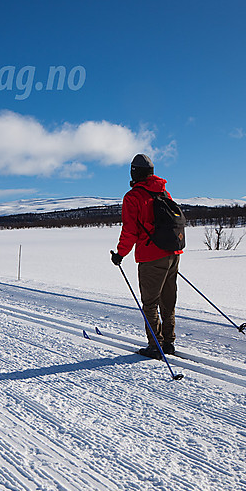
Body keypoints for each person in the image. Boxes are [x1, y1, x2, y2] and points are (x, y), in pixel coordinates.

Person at [110, 154, 182, 359]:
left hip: (151, 256)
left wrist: (120, 254)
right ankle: (168, 343)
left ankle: (155, 346)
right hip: (172, 253)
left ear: (135, 172)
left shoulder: (133, 197)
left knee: (150, 303)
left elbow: (130, 231)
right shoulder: (163, 192)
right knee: (168, 300)